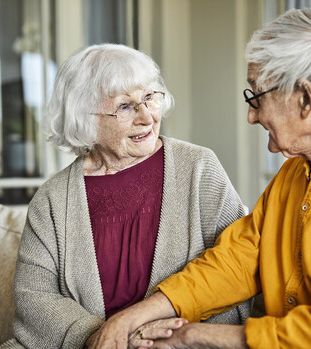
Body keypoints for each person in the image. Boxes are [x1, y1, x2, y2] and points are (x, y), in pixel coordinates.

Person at [0, 44, 250, 349]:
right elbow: (34, 296)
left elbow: (235, 270)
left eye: (149, 98)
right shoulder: (52, 199)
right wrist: (100, 337)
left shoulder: (198, 168)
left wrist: (167, 338)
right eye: (125, 107)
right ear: (85, 117)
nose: (146, 117)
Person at [88, 8, 311, 349]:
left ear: (306, 98)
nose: (251, 115)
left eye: (257, 96)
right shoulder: (292, 176)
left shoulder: (196, 165)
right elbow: (240, 258)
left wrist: (193, 336)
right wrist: (138, 315)